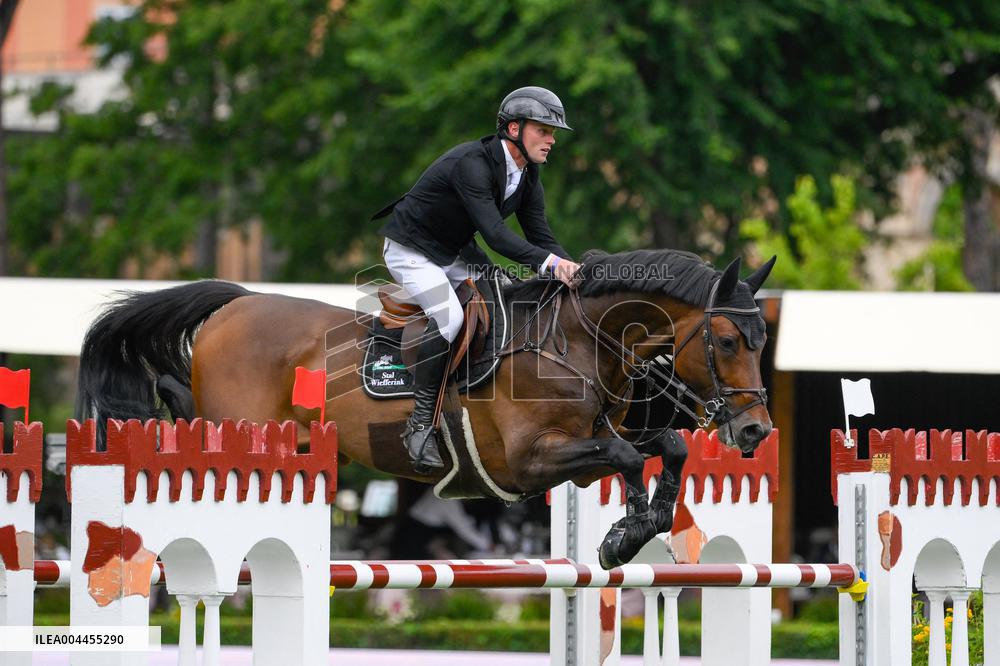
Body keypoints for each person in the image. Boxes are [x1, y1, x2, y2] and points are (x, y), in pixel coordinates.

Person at [373, 86, 582, 474]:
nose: (552, 140)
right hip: (411, 249)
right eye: (544, 130)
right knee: (451, 318)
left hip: (453, 251)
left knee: (505, 296)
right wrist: (552, 265)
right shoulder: (473, 164)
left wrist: (573, 270)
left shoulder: (528, 175)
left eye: (553, 133)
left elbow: (540, 235)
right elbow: (496, 236)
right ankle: (420, 425)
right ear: (514, 129)